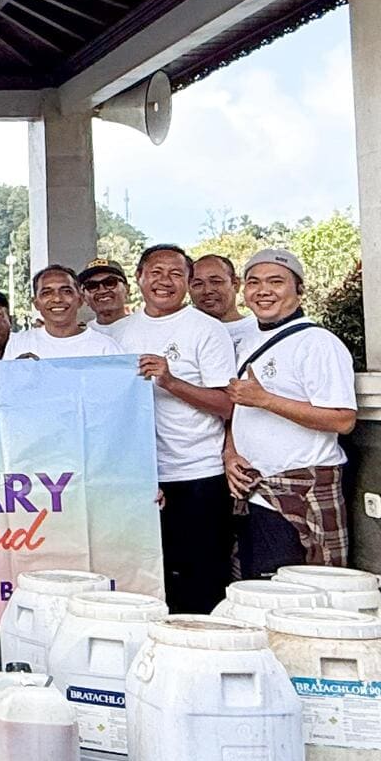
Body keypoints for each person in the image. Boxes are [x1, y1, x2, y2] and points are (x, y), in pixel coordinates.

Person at [110, 244, 239, 615]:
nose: (164, 282)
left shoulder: (207, 330)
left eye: (175, 274)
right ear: (139, 278)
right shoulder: (117, 334)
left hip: (198, 474)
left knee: (202, 582)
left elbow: (228, 405)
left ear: (186, 282)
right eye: (155, 272)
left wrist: (171, 381)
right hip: (138, 480)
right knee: (145, 582)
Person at [224, 248, 358, 577]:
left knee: (302, 593)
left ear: (300, 290)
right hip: (255, 492)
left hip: (300, 491)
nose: (263, 290)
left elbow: (343, 419)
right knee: (260, 591)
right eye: (254, 282)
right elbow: (240, 409)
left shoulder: (318, 343)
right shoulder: (248, 339)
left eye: (276, 281)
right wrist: (230, 452)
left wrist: (267, 400)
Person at [5, 267, 124, 359]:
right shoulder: (19, 344)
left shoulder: (105, 347)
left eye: (66, 291)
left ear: (80, 299)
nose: (57, 299)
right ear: (36, 303)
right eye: (47, 293)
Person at [191, 253, 258, 350]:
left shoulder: (259, 330)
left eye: (216, 282)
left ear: (236, 284)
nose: (207, 290)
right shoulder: (185, 331)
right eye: (197, 284)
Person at [80, 257, 132, 331]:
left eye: (110, 282)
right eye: (92, 286)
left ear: (127, 289)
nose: (102, 290)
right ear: (84, 297)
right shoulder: (79, 337)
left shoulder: (146, 329)